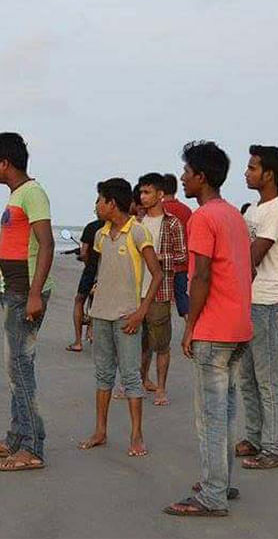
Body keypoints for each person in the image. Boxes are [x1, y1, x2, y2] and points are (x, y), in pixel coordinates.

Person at [162, 141, 253, 517]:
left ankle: (213, 494)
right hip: (239, 326)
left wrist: (190, 326)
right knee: (227, 410)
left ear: (201, 177)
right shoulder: (233, 214)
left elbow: (199, 276)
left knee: (212, 415)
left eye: (186, 172)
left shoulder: (202, 218)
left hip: (214, 328)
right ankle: (221, 481)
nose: (182, 177)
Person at [0, 132, 54, 472]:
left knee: (20, 368)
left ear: (5, 163)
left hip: (25, 294)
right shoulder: (17, 195)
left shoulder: (32, 193)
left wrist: (35, 294)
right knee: (14, 369)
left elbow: (46, 244)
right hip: (14, 288)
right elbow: (16, 247)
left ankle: (32, 446)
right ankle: (16, 438)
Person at [78, 178, 162, 457]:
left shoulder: (137, 233)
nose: (96, 206)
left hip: (127, 317)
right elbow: (104, 268)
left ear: (112, 203)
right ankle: (100, 431)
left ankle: (136, 436)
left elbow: (157, 274)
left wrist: (141, 311)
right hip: (100, 315)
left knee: (130, 378)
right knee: (103, 376)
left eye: (100, 201)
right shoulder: (101, 235)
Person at [236, 144, 278, 469]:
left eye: (253, 167)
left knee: (267, 377)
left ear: (268, 174)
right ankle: (255, 437)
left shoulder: (276, 211)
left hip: (267, 303)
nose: (247, 172)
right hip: (249, 301)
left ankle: (273, 448)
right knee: (247, 376)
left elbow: (252, 256)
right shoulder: (253, 210)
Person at [137, 172, 187, 406]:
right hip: (136, 291)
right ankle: (139, 381)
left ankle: (161, 388)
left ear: (160, 194)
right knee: (139, 341)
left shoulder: (172, 223)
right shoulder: (136, 223)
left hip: (160, 291)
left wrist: (157, 258)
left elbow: (182, 255)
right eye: (141, 192)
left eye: (147, 192)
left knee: (161, 343)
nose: (143, 196)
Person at [66, 215, 104, 353]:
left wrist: (87, 264)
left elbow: (84, 252)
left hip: (91, 271)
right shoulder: (116, 226)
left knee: (79, 300)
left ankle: (78, 341)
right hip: (110, 272)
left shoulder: (91, 227)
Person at [161, 173, 192, 319]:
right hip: (182, 263)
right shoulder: (186, 210)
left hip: (162, 263)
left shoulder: (158, 210)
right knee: (181, 296)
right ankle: (190, 329)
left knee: (160, 301)